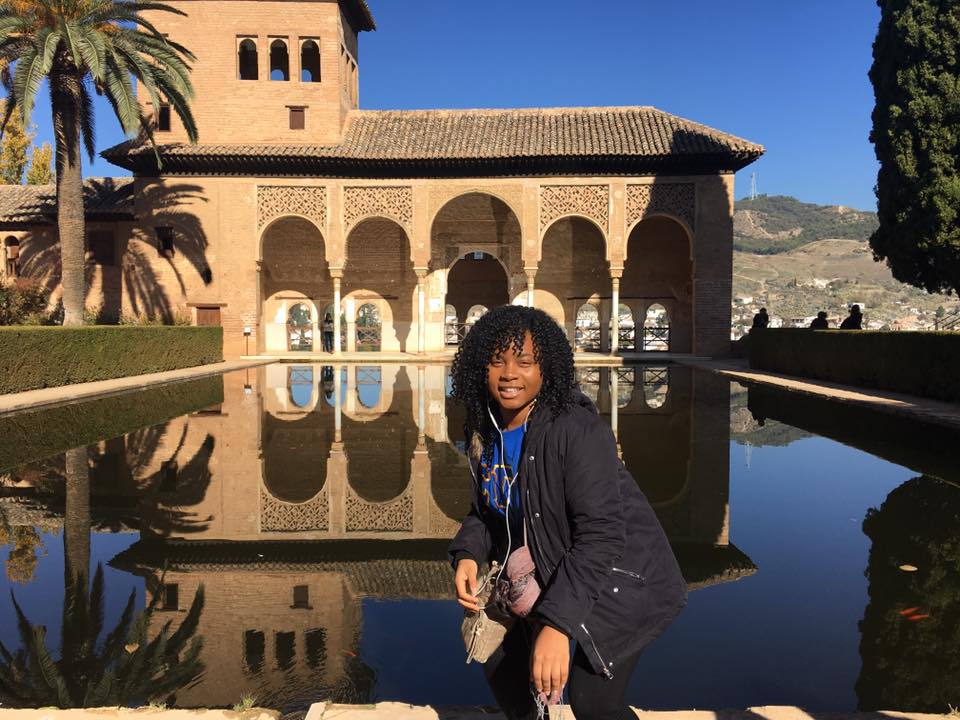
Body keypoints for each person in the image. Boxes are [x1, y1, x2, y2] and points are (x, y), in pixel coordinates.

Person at [448, 305, 687, 720]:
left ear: (547, 369)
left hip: (619, 578)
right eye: (496, 361)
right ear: (477, 366)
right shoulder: (484, 429)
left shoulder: (575, 428)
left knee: (595, 705)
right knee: (503, 669)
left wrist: (557, 626)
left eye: (524, 362)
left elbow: (603, 535)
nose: (509, 374)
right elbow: (489, 508)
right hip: (547, 563)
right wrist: (468, 552)